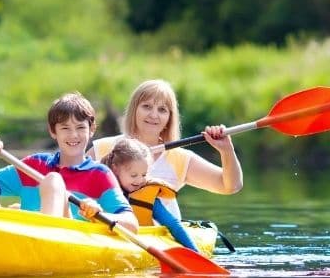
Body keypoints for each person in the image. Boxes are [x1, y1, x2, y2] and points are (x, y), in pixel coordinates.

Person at [0, 92, 139, 232]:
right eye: (65, 128)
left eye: (80, 128)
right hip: (23, 241)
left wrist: (98, 213)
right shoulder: (34, 164)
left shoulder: (100, 174)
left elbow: (132, 224)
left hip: (64, 241)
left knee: (53, 181)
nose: (73, 135)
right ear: (53, 131)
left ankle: (45, 236)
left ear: (91, 130)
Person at [89, 79, 243, 217]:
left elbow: (230, 186)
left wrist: (226, 151)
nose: (154, 115)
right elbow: (70, 178)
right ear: (134, 110)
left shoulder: (179, 158)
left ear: (170, 118)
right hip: (110, 230)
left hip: (161, 236)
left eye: (162, 110)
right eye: (146, 106)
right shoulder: (104, 148)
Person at [100, 137, 200, 251]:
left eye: (144, 175)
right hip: (103, 239)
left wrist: (195, 252)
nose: (139, 181)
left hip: (140, 243)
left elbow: (173, 224)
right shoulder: (102, 189)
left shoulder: (147, 195)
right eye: (133, 175)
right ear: (115, 168)